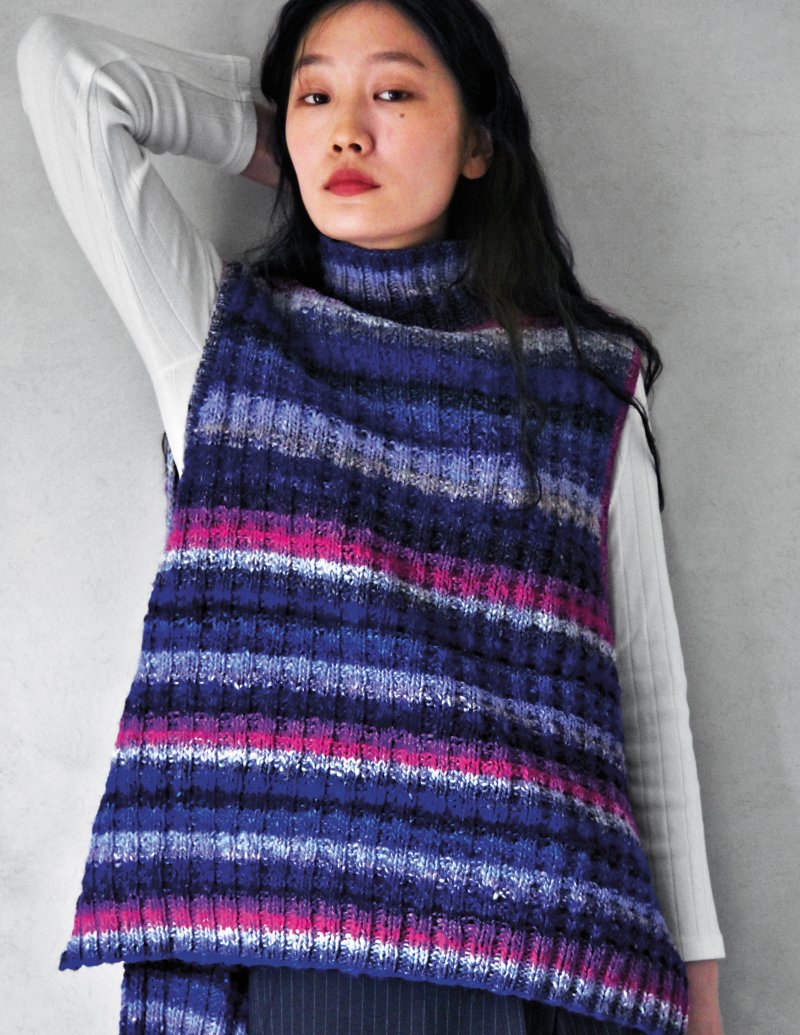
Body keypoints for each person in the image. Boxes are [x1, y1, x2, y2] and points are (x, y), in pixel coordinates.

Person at [17, 1, 726, 1032]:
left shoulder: (583, 384)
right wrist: (281, 133)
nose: (348, 129)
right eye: (317, 94)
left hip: (542, 960)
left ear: (478, 142)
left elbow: (644, 695)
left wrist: (699, 984)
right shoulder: (221, 345)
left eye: (393, 92)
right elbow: (68, 71)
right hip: (288, 955)